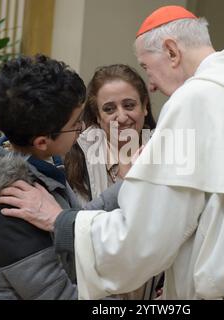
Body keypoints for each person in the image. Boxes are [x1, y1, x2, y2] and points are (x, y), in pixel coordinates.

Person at [0, 6, 224, 299]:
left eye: (147, 67)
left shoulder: (195, 99)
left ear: (172, 51)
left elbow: (144, 238)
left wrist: (62, 221)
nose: (153, 85)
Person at [0, 55, 122, 299]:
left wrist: (132, 182)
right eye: (76, 124)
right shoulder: (9, 202)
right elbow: (56, 294)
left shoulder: (40, 163)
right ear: (42, 141)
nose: (81, 128)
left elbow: (70, 219)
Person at [64, 64, 159, 299]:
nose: (122, 116)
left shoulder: (168, 154)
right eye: (109, 109)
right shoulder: (76, 160)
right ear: (97, 116)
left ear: (145, 107)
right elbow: (75, 230)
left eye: (129, 105)